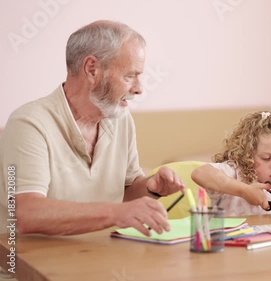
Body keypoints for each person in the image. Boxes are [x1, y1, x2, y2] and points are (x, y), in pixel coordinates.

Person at [0, 20, 185, 237]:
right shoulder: (29, 123)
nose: (138, 89)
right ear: (92, 69)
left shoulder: (121, 119)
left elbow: (124, 193)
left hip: (100, 259)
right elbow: (26, 213)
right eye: (129, 76)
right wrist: (115, 213)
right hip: (31, 268)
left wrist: (151, 188)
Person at [191, 111, 271, 216]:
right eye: (266, 158)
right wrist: (244, 190)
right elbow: (200, 173)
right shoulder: (235, 173)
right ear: (247, 154)